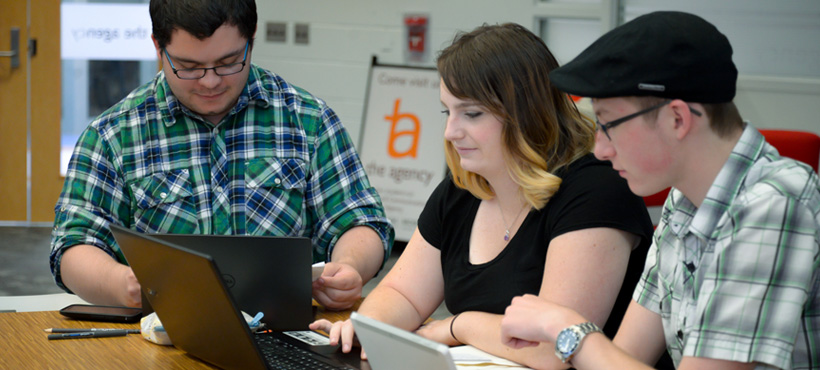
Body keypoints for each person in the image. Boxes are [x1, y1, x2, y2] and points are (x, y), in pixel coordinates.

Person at [311, 23, 657, 369]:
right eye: (448, 112)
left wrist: (459, 325)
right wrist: (369, 328)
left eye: (471, 114)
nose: (450, 131)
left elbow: (553, 349)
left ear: (526, 113)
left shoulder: (596, 189)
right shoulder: (464, 189)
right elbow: (401, 294)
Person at [500, 11, 820, 370]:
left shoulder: (774, 204)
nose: (600, 149)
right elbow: (625, 358)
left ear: (677, 119)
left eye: (608, 125)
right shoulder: (684, 200)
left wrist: (564, 328)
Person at [49, 0, 393, 311]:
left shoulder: (308, 120)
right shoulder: (114, 134)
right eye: (189, 66)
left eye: (228, 62)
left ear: (251, 39)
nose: (210, 82)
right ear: (158, 46)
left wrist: (349, 267)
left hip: (288, 332)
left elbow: (360, 221)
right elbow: (73, 246)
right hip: (158, 337)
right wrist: (122, 285)